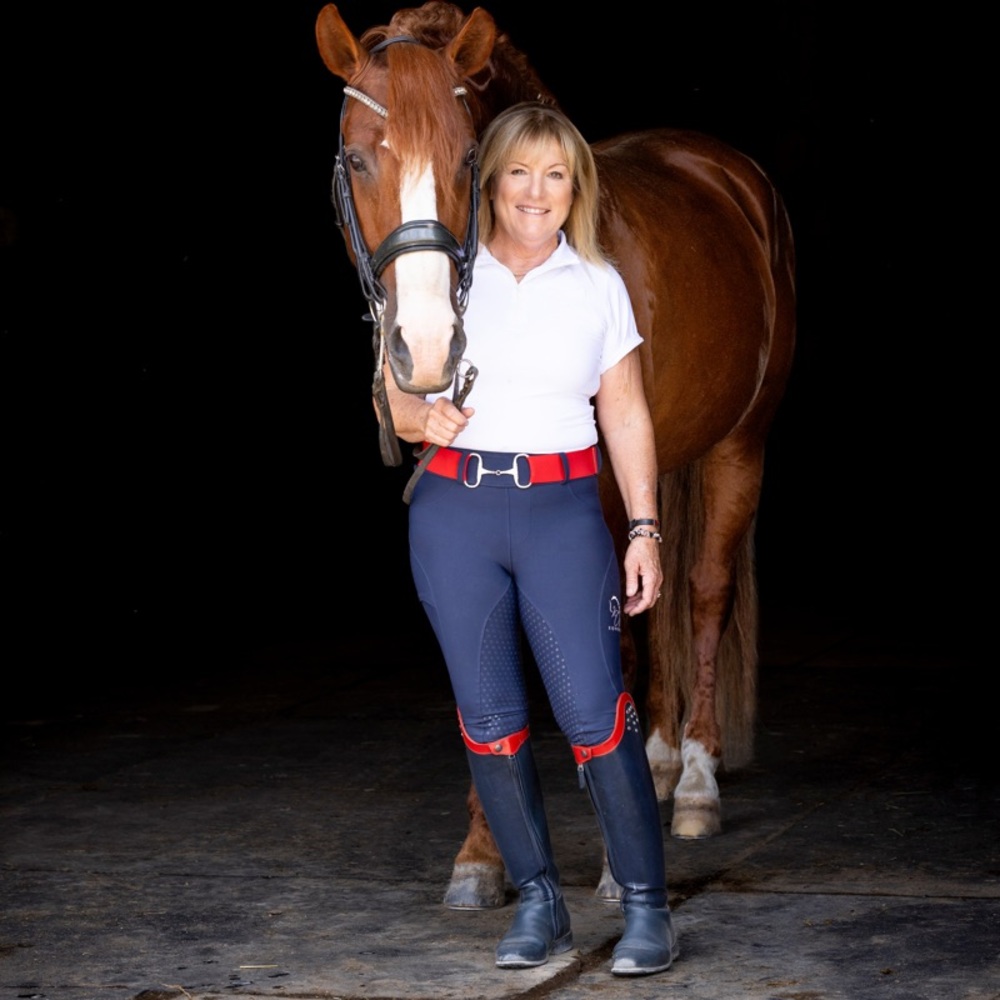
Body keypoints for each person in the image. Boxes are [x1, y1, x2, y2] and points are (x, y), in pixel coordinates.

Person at [384, 102, 679, 977]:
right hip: (454, 515)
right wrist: (417, 418)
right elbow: (391, 397)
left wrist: (644, 528)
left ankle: (649, 909)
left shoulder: (597, 283)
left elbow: (625, 414)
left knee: (595, 713)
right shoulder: (442, 275)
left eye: (556, 176)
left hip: (560, 514)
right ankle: (540, 902)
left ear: (575, 189)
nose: (536, 192)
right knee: (488, 720)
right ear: (490, 182)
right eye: (519, 172)